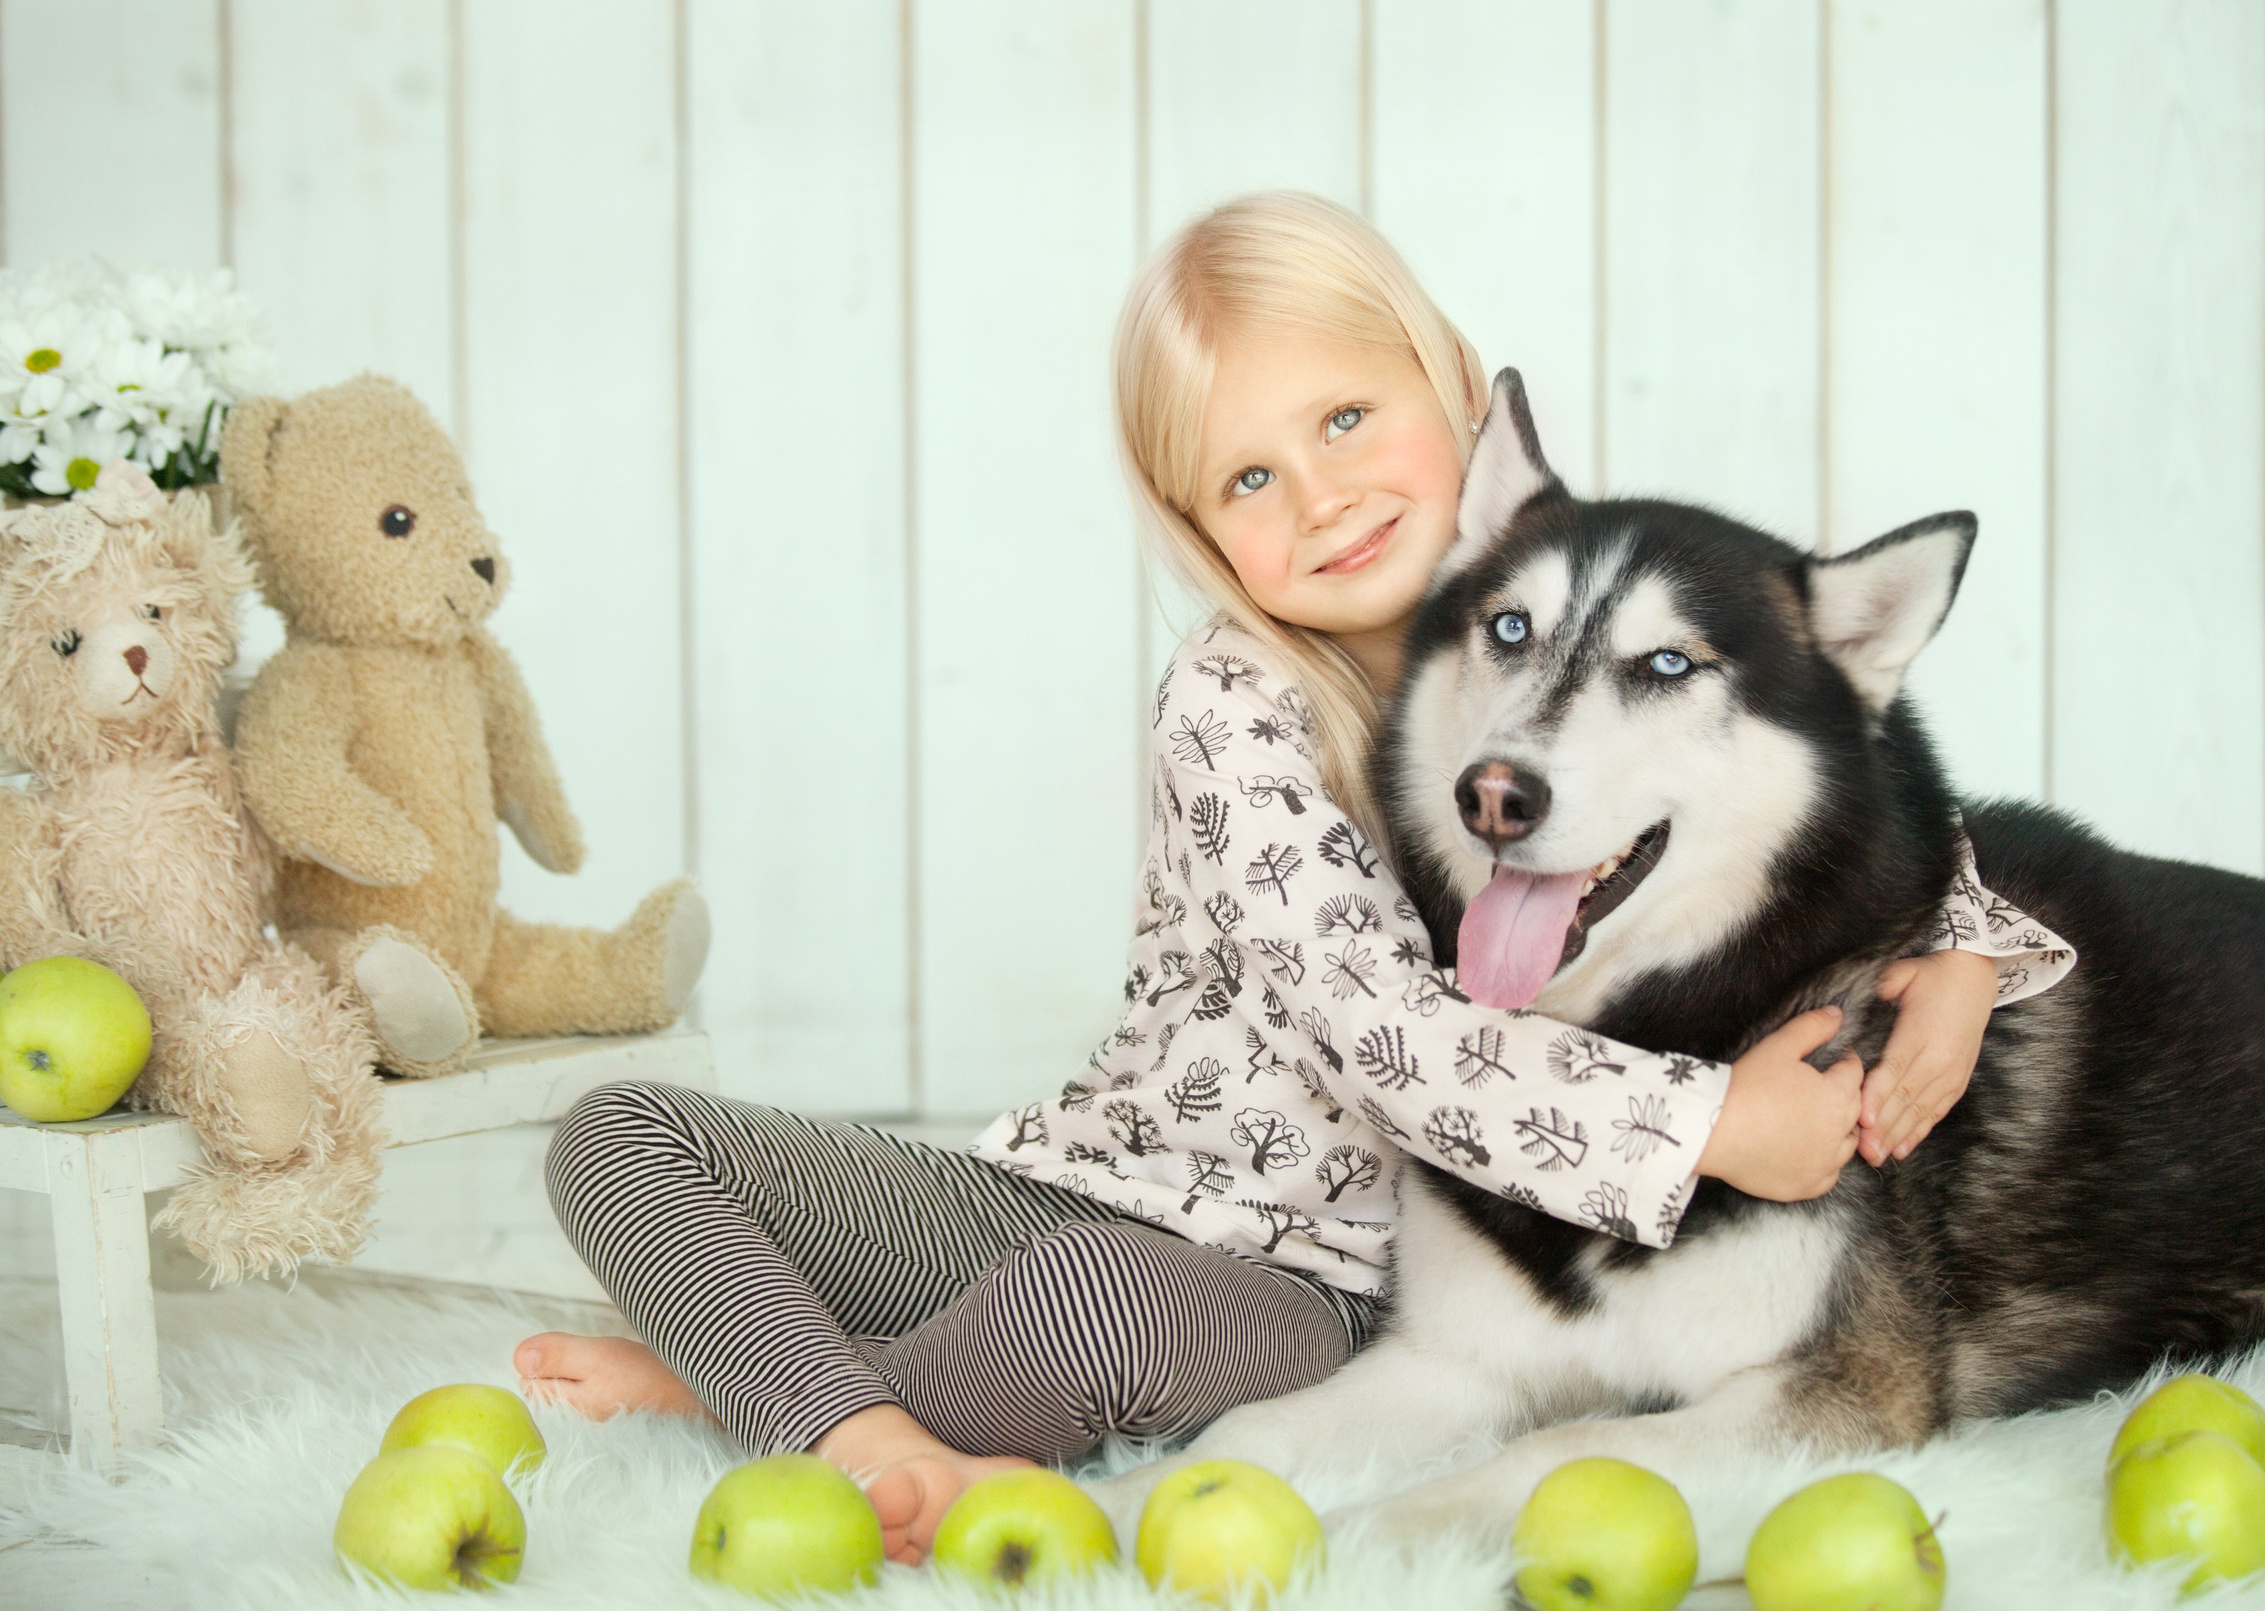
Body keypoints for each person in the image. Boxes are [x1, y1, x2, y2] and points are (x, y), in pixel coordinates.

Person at [513, 191, 2073, 1564]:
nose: (1320, 496)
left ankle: (788, 1390)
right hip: (1074, 1179)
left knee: (1086, 1314)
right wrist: (1710, 1124)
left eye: (1344, 420)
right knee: (619, 1134)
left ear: (1454, 392)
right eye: (1248, 480)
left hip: (1299, 1281)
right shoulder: (1234, 705)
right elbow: (1391, 1039)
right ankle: (853, 1418)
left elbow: (1815, 782)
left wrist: (1966, 952)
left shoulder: (1575, 589)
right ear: (1200, 531)